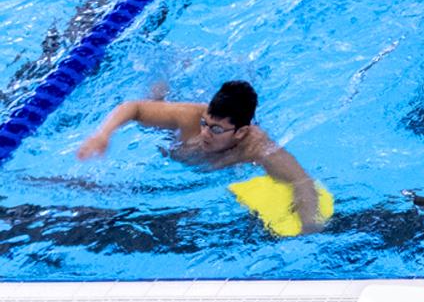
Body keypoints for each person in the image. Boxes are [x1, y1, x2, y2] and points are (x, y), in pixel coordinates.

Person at [77, 80, 323, 234]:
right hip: (168, 148)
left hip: (199, 169)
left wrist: (308, 227)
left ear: (241, 132)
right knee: (157, 98)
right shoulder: (188, 116)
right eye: (205, 123)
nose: (205, 133)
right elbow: (134, 108)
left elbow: (301, 182)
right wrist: (103, 135)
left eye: (216, 129)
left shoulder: (256, 148)